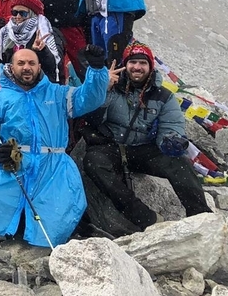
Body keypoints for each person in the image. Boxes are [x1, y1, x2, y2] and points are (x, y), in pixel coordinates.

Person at [0, 45, 114, 247]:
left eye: (31, 63)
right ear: (11, 67)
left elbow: (90, 98)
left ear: (39, 66)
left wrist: (97, 69)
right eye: (20, 63)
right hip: (15, 165)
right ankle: (7, 238)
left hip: (53, 167)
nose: (26, 67)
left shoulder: (58, 94)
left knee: (59, 209)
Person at [82, 42, 209, 229]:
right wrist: (103, 89)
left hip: (143, 149)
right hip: (110, 145)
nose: (137, 67)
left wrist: (170, 140)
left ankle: (201, 218)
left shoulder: (163, 95)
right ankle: (144, 217)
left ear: (150, 67)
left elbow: (171, 124)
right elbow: (93, 119)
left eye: (143, 63)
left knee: (180, 164)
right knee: (94, 162)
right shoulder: (112, 85)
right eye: (133, 62)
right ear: (126, 65)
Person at [0, 0, 62, 82]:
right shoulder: (6, 32)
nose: (18, 17)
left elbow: (55, 65)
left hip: (41, 85)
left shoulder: (47, 32)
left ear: (32, 14)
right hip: (12, 85)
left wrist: (42, 50)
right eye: (14, 12)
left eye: (23, 13)